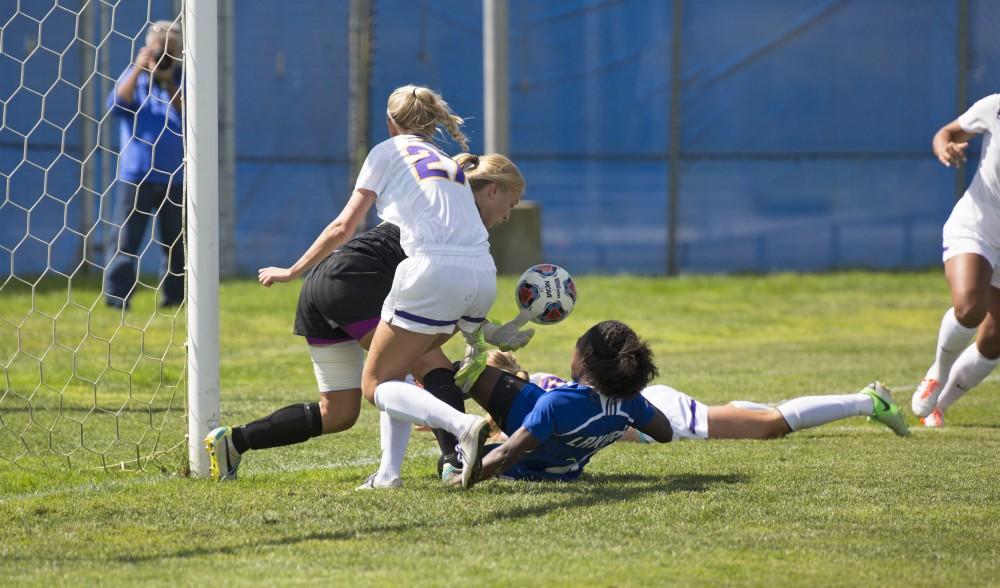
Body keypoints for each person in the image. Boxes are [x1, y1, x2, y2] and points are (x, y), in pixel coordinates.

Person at [206, 85, 529, 489]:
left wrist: (294, 271)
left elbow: (346, 224)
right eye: (511, 204)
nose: (509, 214)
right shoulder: (445, 173)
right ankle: (455, 445)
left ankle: (237, 441)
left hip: (366, 282)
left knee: (343, 411)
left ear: (391, 122)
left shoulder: (404, 166)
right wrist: (296, 271)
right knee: (418, 367)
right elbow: (348, 230)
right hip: (348, 284)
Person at [452, 320, 674, 486]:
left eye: (576, 345)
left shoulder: (558, 402)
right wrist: (629, 392)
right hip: (565, 469)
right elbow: (665, 433)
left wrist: (460, 479)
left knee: (461, 372)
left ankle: (448, 450)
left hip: (526, 465)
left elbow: (508, 454)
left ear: (585, 354)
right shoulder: (630, 403)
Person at [911, 92, 1000, 427]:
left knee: (994, 341)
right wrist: (944, 148)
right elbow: (945, 134)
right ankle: (938, 371)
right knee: (969, 307)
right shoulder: (995, 106)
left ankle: (940, 405)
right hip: (975, 227)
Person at [516, 367, 908, 442]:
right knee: (754, 416)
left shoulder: (532, 400)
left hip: (664, 415)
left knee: (772, 425)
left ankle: (868, 401)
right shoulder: (537, 381)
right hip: (652, 404)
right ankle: (741, 411)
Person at [103, 20, 185, 309]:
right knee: (125, 241)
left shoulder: (184, 79)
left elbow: (188, 115)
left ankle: (175, 298)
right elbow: (115, 105)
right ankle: (116, 298)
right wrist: (140, 68)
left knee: (176, 244)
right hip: (136, 175)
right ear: (148, 47)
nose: (164, 55)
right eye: (160, 49)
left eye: (170, 50)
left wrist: (168, 79)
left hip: (174, 177)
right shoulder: (134, 77)